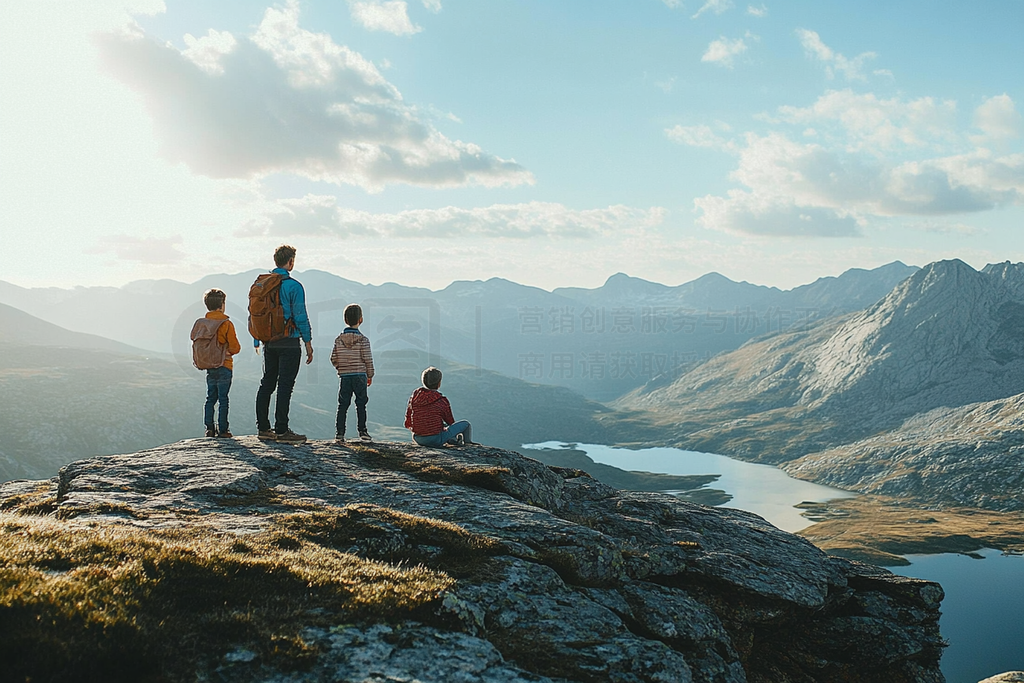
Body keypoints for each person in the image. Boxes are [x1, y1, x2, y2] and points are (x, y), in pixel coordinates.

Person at [254, 244, 314, 445]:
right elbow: (300, 316)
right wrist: (307, 341)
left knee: (267, 383)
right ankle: (281, 429)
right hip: (289, 341)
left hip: (268, 341)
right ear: (290, 262)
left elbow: (257, 314)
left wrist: (257, 338)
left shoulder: (262, 284)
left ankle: (263, 428)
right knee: (285, 385)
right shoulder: (294, 286)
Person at [197, 288, 241, 438]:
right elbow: (235, 347)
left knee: (210, 398)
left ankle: (209, 428)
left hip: (209, 366)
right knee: (223, 399)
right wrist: (228, 351)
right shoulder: (226, 324)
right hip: (224, 365)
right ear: (222, 304)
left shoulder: (203, 323)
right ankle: (223, 430)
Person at [330, 303, 375, 442]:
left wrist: (341, 368)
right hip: (360, 375)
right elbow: (368, 359)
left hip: (345, 376)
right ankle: (362, 431)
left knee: (343, 405)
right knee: (361, 404)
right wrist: (370, 374)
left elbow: (333, 358)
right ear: (361, 320)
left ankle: (339, 434)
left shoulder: (338, 340)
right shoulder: (363, 340)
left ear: (345, 320)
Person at [404, 366, 475, 447]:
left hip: (417, 438)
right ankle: (468, 444)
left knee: (442, 425)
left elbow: (409, 416)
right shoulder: (441, 400)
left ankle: (452, 440)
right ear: (439, 383)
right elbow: (450, 421)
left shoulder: (415, 396)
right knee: (465, 424)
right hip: (435, 440)